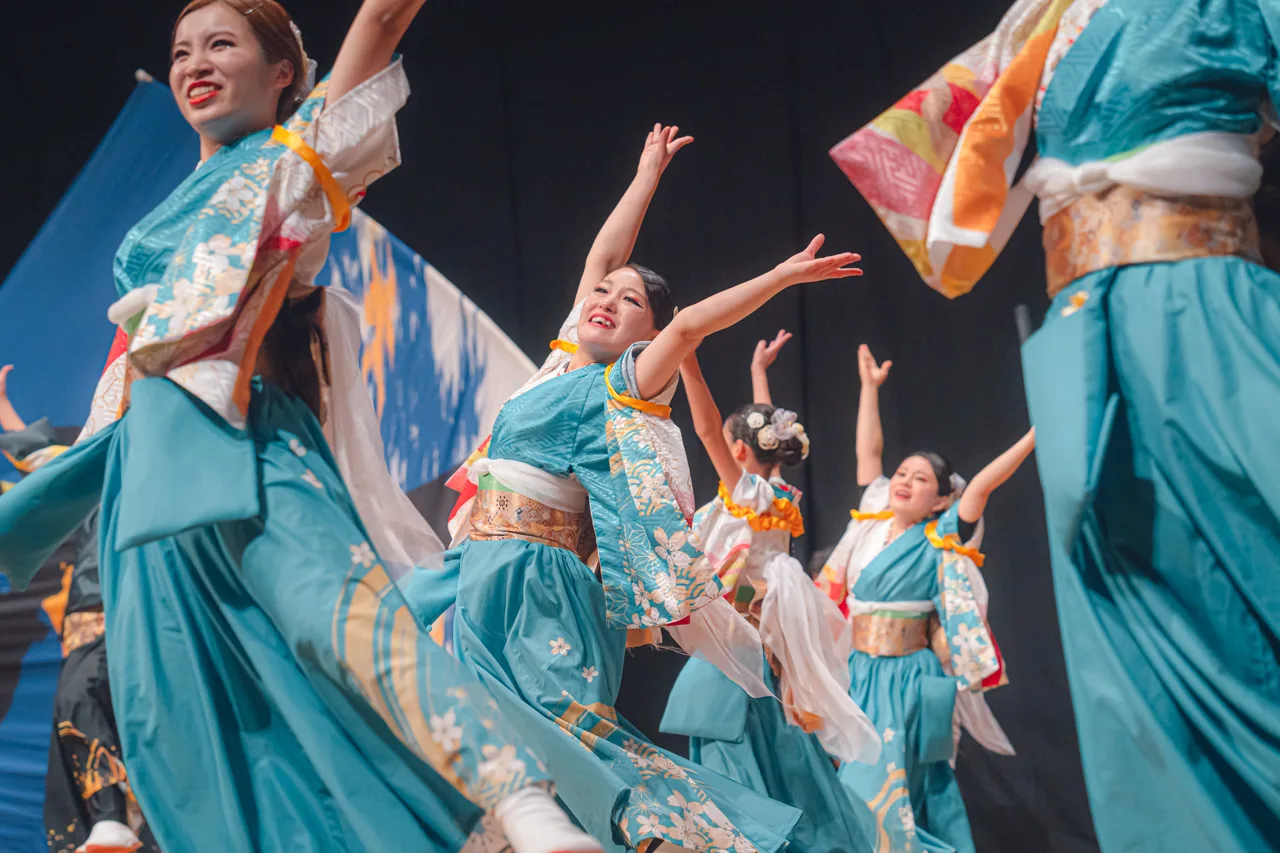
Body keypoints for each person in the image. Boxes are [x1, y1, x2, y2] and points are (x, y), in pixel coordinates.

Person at [0, 3, 601, 852]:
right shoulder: (170, 214)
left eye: (222, 44)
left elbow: (381, 20)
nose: (195, 63)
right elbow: (126, 385)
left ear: (283, 72)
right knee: (183, 716)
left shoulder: (293, 161)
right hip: (146, 471)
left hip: (247, 439)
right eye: (181, 50)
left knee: (345, 624)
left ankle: (520, 801)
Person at [830, 1, 1280, 848]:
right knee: (1128, 638)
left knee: (1246, 568)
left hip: (1198, 299)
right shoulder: (1051, 17)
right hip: (1081, 324)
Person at [428, 124, 865, 853]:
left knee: (566, 728)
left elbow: (688, 325)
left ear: (644, 337)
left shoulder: (624, 383)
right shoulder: (563, 358)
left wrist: (780, 278)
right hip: (484, 567)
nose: (604, 298)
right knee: (487, 732)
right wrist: (647, 175)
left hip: (541, 580)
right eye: (601, 294)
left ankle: (664, 835)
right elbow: (602, 258)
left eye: (629, 301)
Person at [659, 332, 880, 853]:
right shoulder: (778, 493)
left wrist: (688, 360)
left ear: (737, 451)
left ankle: (750, 835)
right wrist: (760, 376)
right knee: (770, 735)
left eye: (730, 445)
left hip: (743, 632)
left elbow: (708, 428)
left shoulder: (745, 491)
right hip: (765, 635)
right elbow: (762, 440)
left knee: (729, 728)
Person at [815, 346, 1032, 853]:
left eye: (920, 478)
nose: (904, 481)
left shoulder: (942, 535)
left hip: (908, 677)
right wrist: (869, 389)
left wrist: (1034, 435)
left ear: (940, 499)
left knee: (879, 785)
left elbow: (982, 486)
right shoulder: (871, 519)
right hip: (860, 669)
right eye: (903, 473)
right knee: (869, 782)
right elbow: (869, 455)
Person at [0, 368, 152, 853]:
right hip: (90, 610)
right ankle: (109, 823)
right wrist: (2, 407)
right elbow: (46, 462)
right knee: (78, 715)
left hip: (137, 609)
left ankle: (120, 821)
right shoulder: (96, 467)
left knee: (93, 701)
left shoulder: (161, 465)